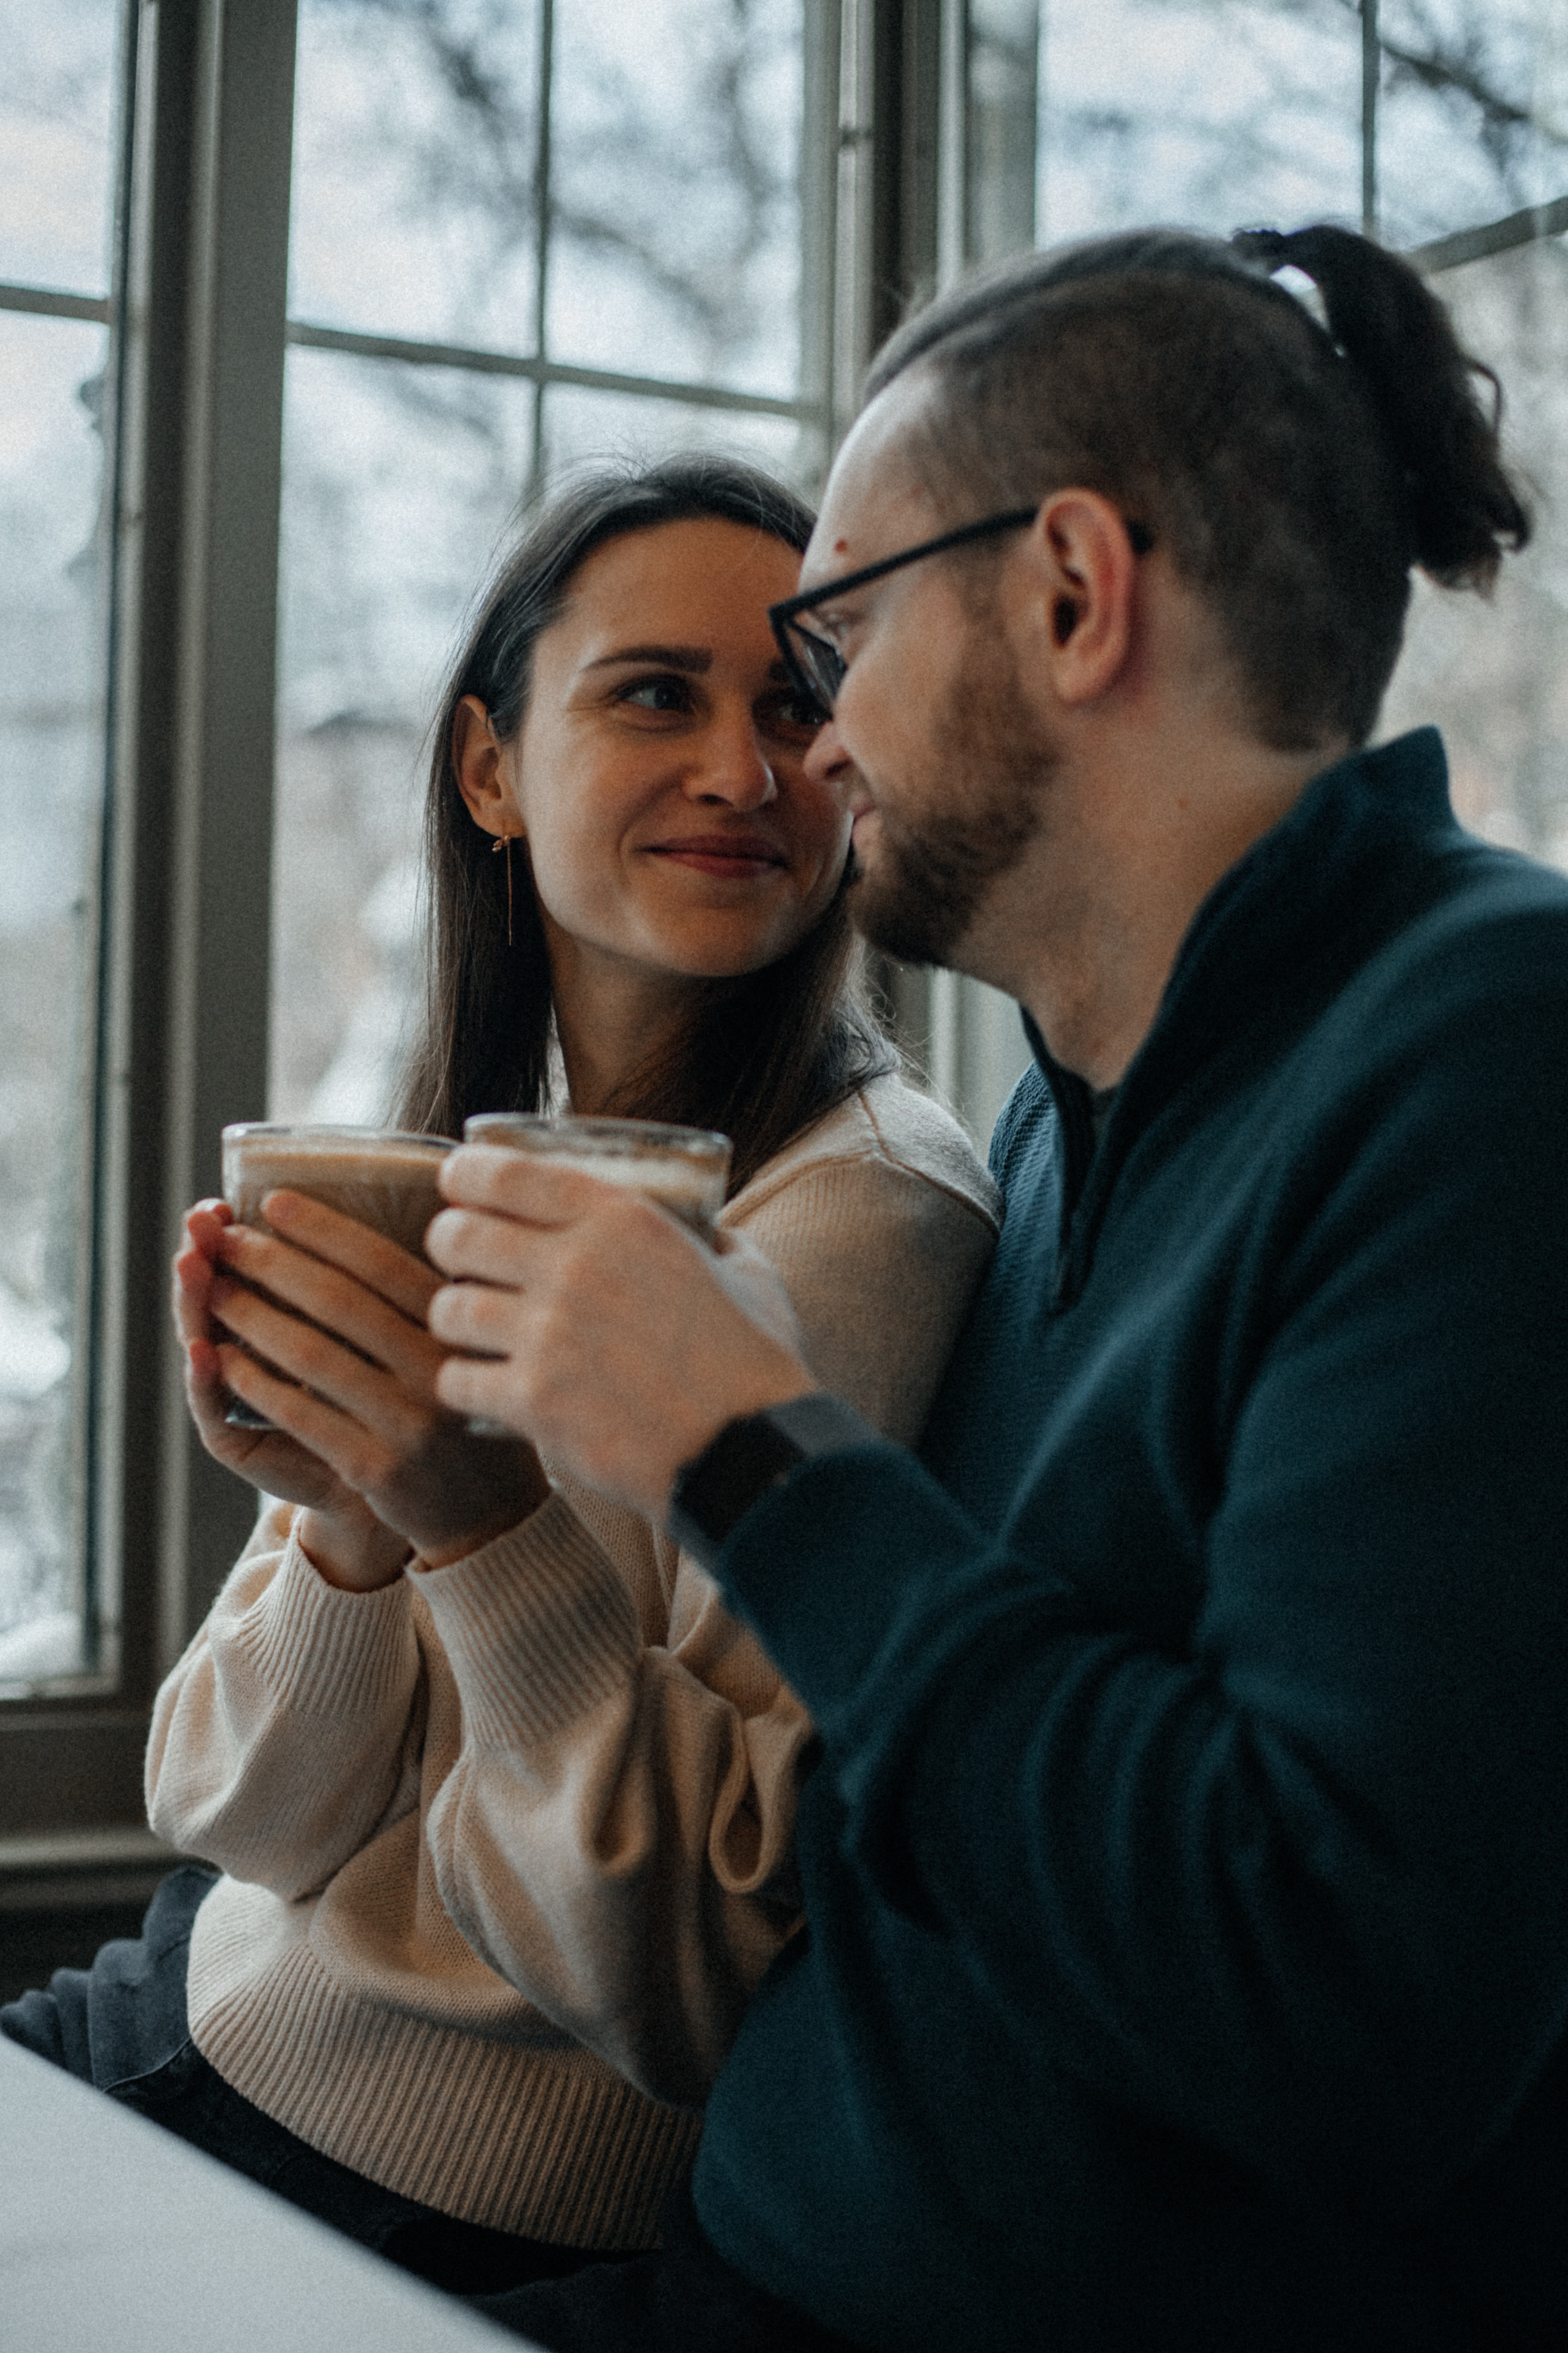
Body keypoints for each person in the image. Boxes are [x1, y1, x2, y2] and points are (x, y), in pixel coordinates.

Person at [423, 229, 1568, 2351]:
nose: (810, 745)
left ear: (1067, 592)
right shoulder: (1061, 1117)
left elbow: (1342, 2000)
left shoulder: (1494, 1052)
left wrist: (751, 1454)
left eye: (836, 630)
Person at [0, 457, 998, 2293]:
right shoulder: (493, 1161)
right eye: (653, 693)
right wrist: (345, 1522)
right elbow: (239, 1811)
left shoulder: (863, 1216)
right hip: (211, 2003)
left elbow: (668, 1956)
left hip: (390, 2168)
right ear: (487, 769)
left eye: (797, 702)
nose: (743, 767)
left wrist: (472, 1529)